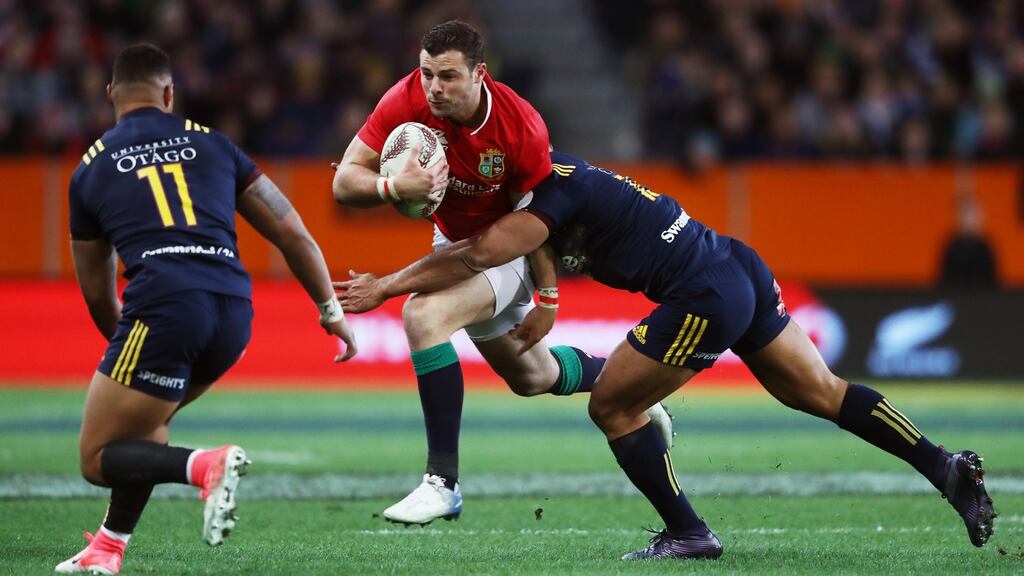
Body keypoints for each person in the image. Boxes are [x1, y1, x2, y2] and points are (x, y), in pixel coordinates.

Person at [337, 150, 997, 560]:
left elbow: (477, 253)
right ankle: (944, 466)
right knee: (823, 390)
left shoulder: (543, 198)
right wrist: (549, 296)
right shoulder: (555, 184)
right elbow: (537, 237)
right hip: (733, 260)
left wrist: (387, 286)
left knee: (611, 407)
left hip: (701, 293)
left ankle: (688, 532)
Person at [331, 20, 671, 525]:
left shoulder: (520, 126)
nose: (434, 88)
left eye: (448, 76)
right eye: (427, 74)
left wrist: (549, 299)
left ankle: (442, 484)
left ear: (479, 74)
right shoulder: (406, 99)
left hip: (513, 245)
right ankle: (629, 388)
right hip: (454, 243)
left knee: (423, 317)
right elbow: (344, 181)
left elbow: (539, 223)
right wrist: (393, 188)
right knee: (532, 377)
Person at [58, 44, 357, 574]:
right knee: (146, 426)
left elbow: (98, 292)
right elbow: (292, 231)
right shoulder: (214, 144)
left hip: (165, 307)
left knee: (98, 457)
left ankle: (205, 466)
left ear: (110, 95)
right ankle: (107, 548)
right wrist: (330, 308)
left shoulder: (91, 168)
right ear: (169, 93)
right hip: (234, 313)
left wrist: (130, 349)